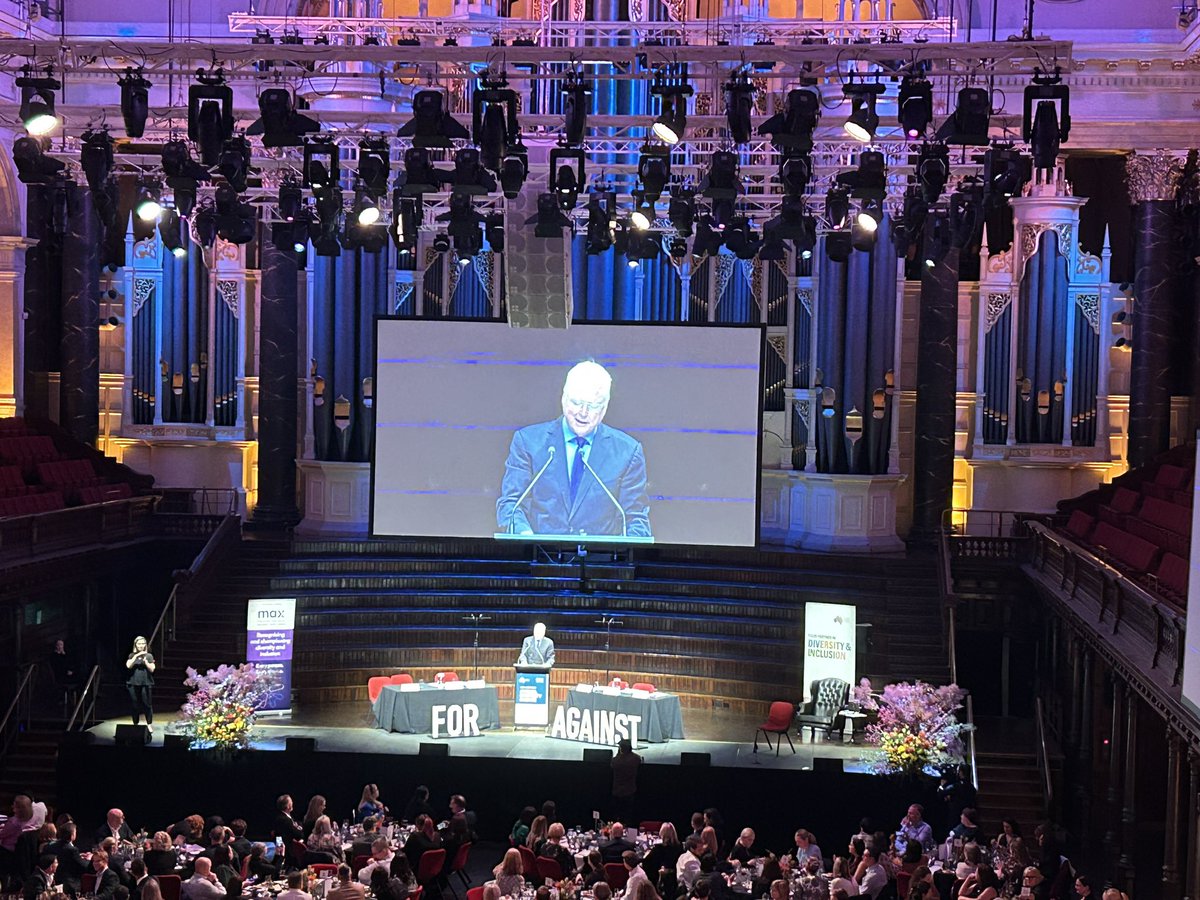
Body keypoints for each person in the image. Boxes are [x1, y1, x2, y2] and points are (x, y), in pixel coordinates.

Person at [496, 360, 652, 539]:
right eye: (577, 402)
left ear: (604, 407)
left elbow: (635, 518)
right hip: (540, 553)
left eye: (593, 406)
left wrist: (628, 546)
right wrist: (526, 538)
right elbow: (511, 504)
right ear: (563, 398)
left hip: (600, 556)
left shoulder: (627, 452)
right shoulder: (528, 442)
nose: (583, 412)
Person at [125, 636, 156, 732]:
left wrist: (146, 662)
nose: (141, 645)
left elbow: (152, 669)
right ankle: (135, 723)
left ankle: (149, 724)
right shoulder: (131, 655)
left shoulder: (149, 656)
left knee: (147, 704)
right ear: (135, 645)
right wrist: (136, 656)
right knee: (134, 704)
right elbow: (128, 666)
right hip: (133, 682)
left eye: (143, 643)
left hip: (145, 682)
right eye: (139, 644)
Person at [49, 822, 89, 895]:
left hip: (56, 881)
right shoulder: (72, 850)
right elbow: (83, 866)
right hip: (70, 885)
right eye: (75, 832)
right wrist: (89, 859)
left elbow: (64, 857)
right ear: (72, 835)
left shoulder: (52, 846)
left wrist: (78, 856)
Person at [611, 740, 641, 822]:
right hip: (630, 791)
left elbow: (613, 763)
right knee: (628, 815)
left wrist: (618, 754)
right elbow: (638, 759)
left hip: (617, 792)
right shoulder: (635, 758)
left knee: (617, 815)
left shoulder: (616, 760)